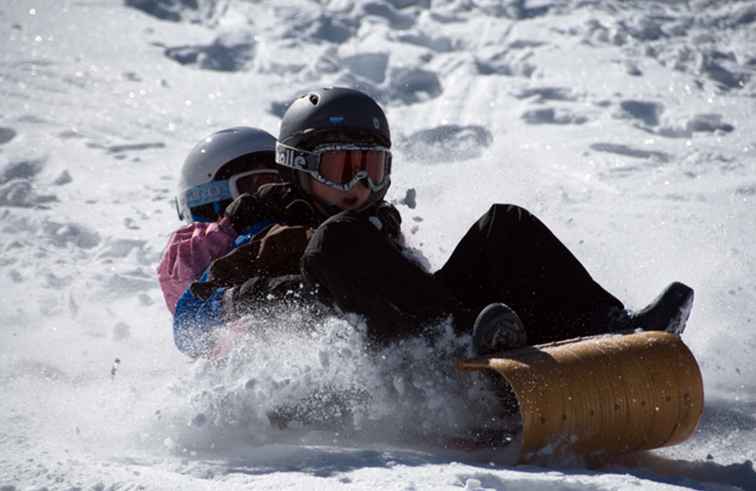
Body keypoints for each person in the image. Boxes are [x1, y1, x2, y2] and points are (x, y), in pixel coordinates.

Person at [179, 87, 694, 360]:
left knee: (503, 225)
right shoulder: (261, 228)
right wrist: (259, 295)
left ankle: (610, 331)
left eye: (372, 167)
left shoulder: (375, 222)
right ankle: (463, 347)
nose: (359, 184)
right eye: (341, 167)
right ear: (298, 170)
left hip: (441, 326)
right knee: (336, 240)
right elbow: (187, 322)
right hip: (378, 363)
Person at [157, 127, 282, 316]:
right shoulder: (196, 247)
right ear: (209, 201)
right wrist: (228, 230)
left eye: (281, 184)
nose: (271, 195)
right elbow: (186, 280)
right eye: (254, 186)